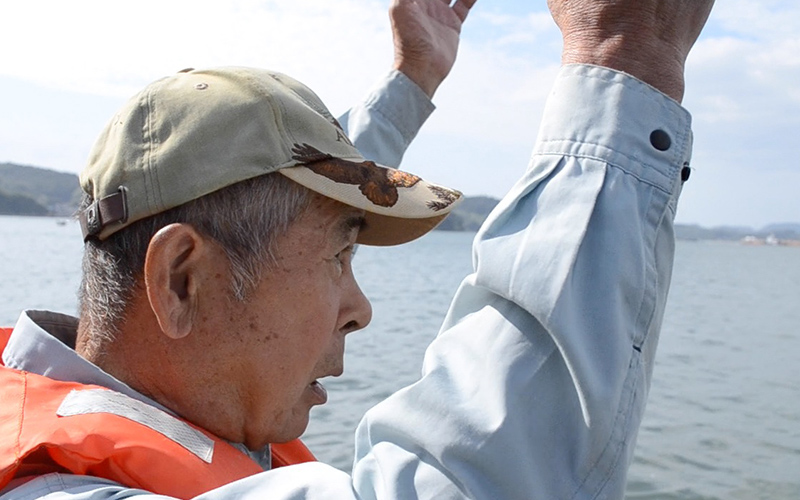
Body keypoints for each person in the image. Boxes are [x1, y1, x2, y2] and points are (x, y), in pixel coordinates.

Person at [0, 0, 715, 499]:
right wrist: (624, 65)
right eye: (340, 259)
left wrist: (414, 80)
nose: (361, 308)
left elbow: (266, 214)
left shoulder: (152, 412)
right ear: (182, 281)